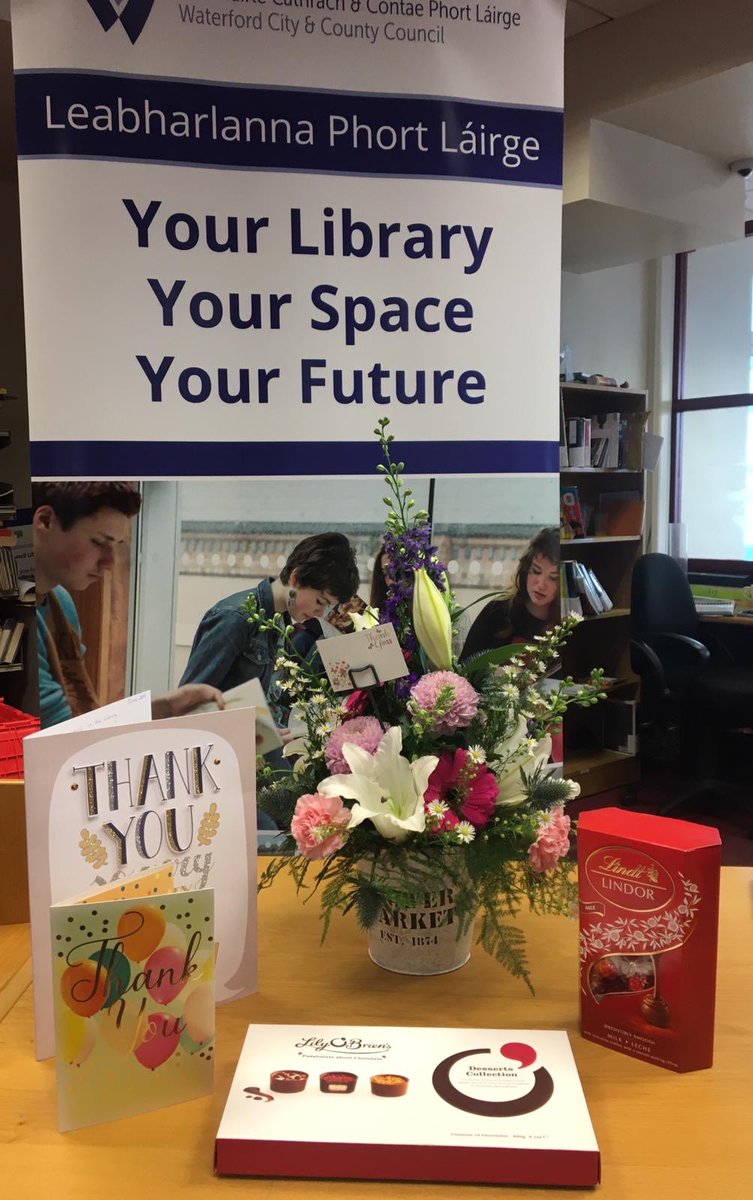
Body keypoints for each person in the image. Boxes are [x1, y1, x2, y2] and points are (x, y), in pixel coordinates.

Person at [33, 482, 223, 728]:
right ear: (46, 520)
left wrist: (168, 706)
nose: (110, 562)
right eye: (100, 542)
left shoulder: (61, 602)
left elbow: (78, 722)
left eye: (116, 546)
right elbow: (61, 730)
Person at [179, 532, 361, 699]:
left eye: (327, 608)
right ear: (296, 578)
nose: (320, 613)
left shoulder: (282, 622)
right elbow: (188, 703)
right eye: (320, 602)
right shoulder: (235, 618)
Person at [461, 528, 560, 661]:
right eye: (536, 571)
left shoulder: (566, 625)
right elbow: (464, 668)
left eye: (553, 578)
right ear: (526, 568)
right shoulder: (497, 610)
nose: (541, 584)